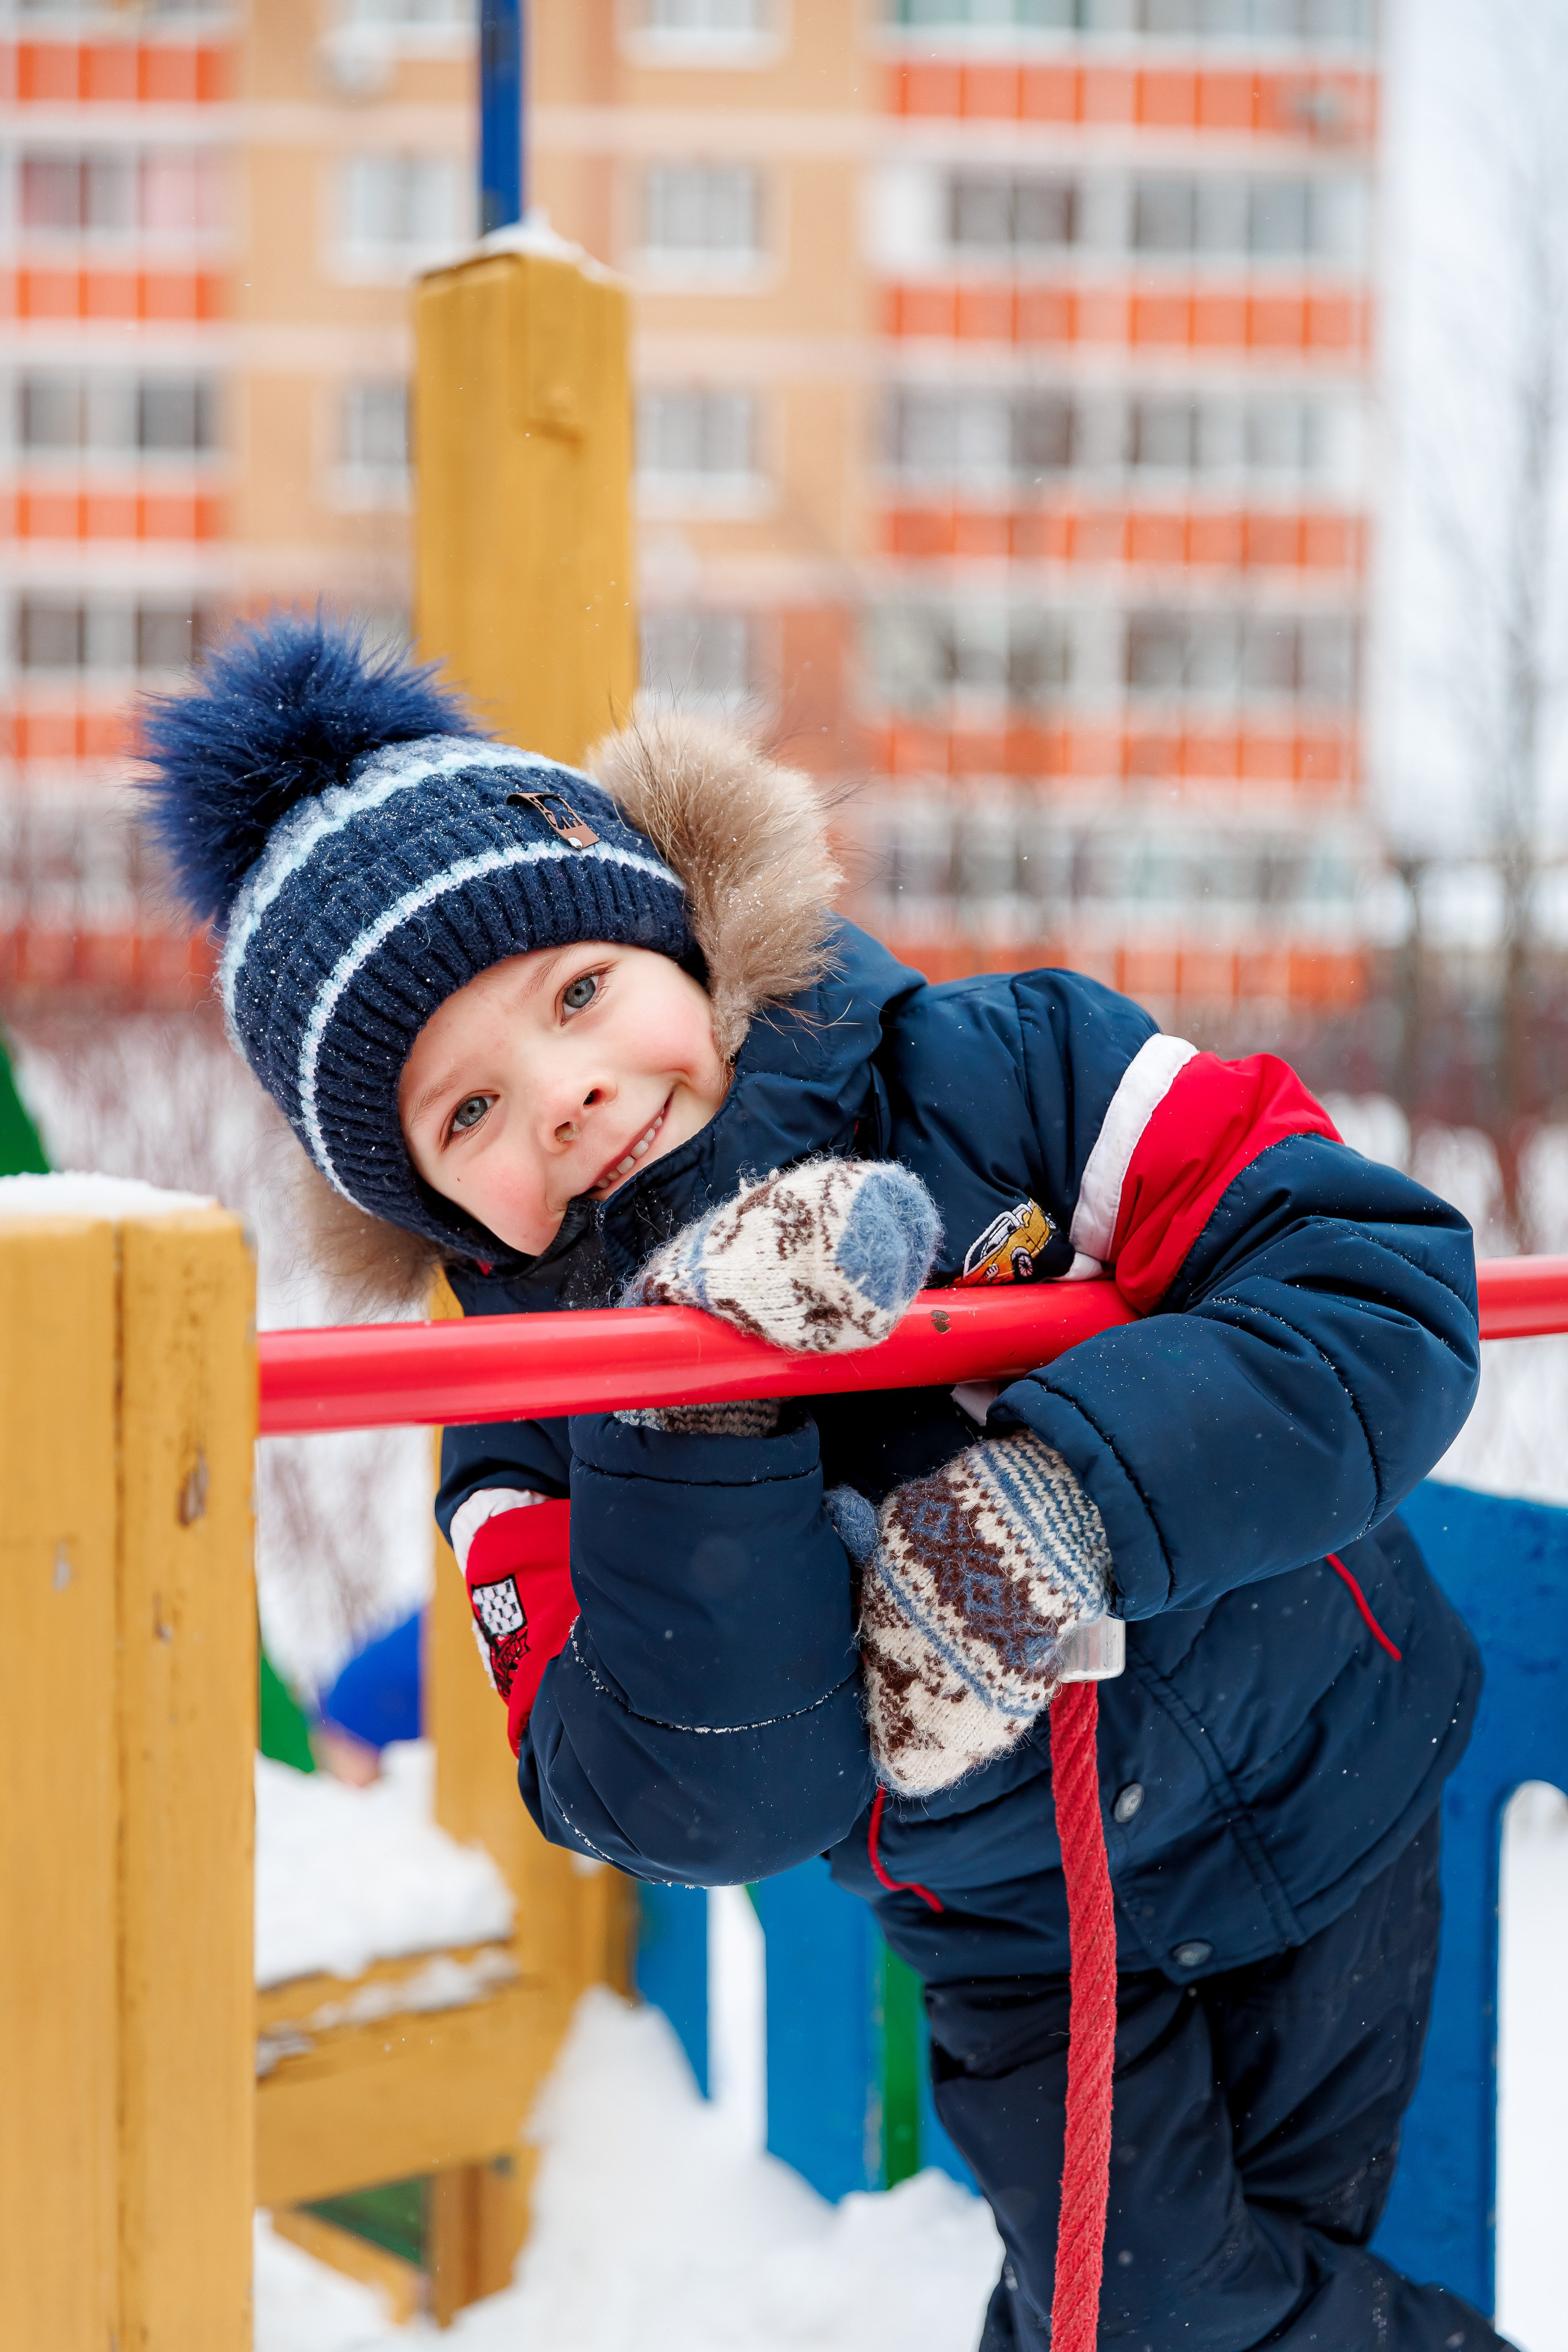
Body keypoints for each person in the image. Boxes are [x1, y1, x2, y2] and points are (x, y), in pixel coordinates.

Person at [144, 614, 1501, 2352]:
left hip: (1335, 1773)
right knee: (1128, 2314)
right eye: (462, 1112)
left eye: (578, 996)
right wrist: (685, 1407)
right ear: (419, 1198)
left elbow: (1366, 1276)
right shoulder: (520, 1424)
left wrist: (1068, 1502)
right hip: (1021, 1941)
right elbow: (698, 1797)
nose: (560, 1096)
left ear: (681, 941)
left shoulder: (1005, 1072)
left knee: (1185, 2306)